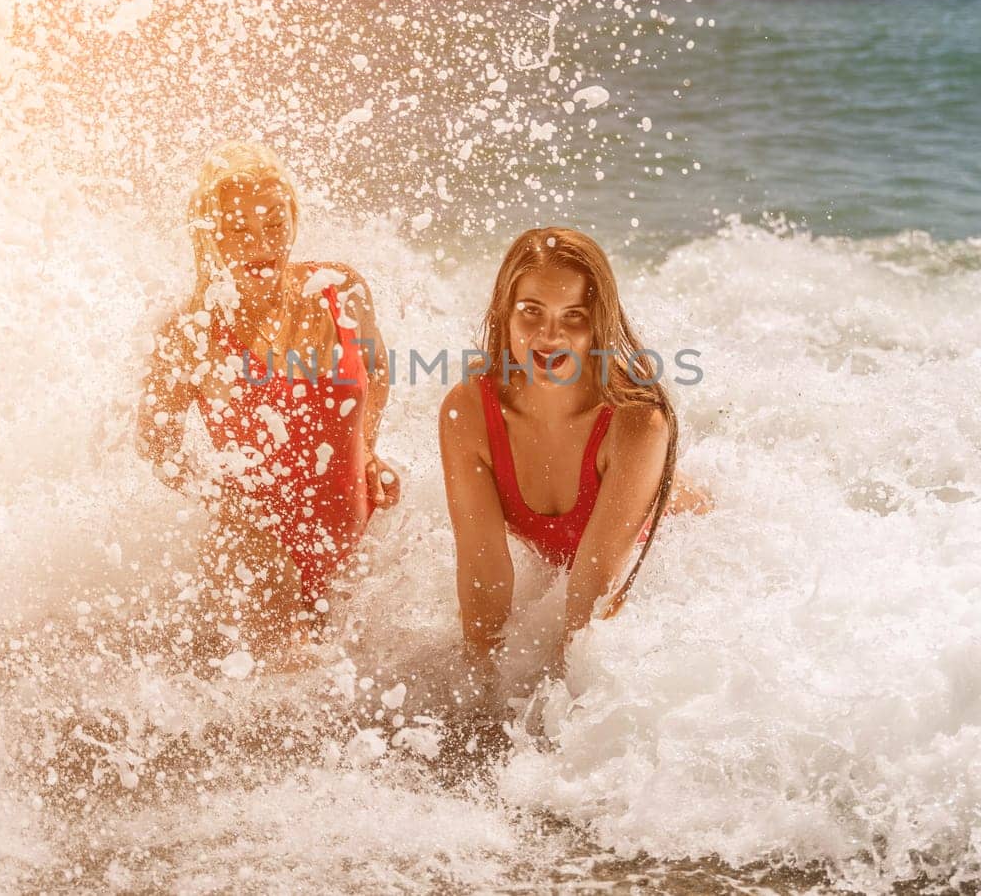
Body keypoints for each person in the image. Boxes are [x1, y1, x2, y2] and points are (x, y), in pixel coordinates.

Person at [138, 140, 400, 660]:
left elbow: (375, 368)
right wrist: (225, 502)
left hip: (354, 533)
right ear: (210, 235)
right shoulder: (192, 332)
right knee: (294, 704)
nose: (262, 245)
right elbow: (157, 445)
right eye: (238, 230)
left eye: (275, 225)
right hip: (255, 554)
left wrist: (368, 448)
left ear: (294, 220)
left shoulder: (340, 290)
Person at [438, 227, 710, 687]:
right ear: (504, 313)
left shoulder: (637, 423)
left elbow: (593, 593)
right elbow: (483, 570)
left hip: (678, 547)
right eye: (531, 311)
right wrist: (480, 689)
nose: (549, 335)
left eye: (574, 316)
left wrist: (563, 708)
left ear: (598, 324)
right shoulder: (468, 413)